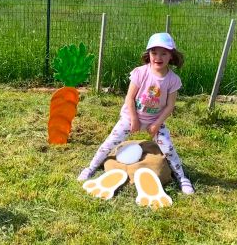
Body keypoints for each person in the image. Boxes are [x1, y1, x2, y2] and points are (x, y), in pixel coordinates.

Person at [77, 32, 195, 195]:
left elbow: (169, 106)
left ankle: (182, 178)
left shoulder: (173, 80)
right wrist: (133, 118)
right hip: (131, 117)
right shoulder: (140, 73)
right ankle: (90, 168)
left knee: (168, 148)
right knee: (110, 143)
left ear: (171, 56)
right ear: (149, 54)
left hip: (155, 120)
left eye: (164, 53)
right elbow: (130, 98)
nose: (158, 57)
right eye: (154, 52)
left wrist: (157, 123)